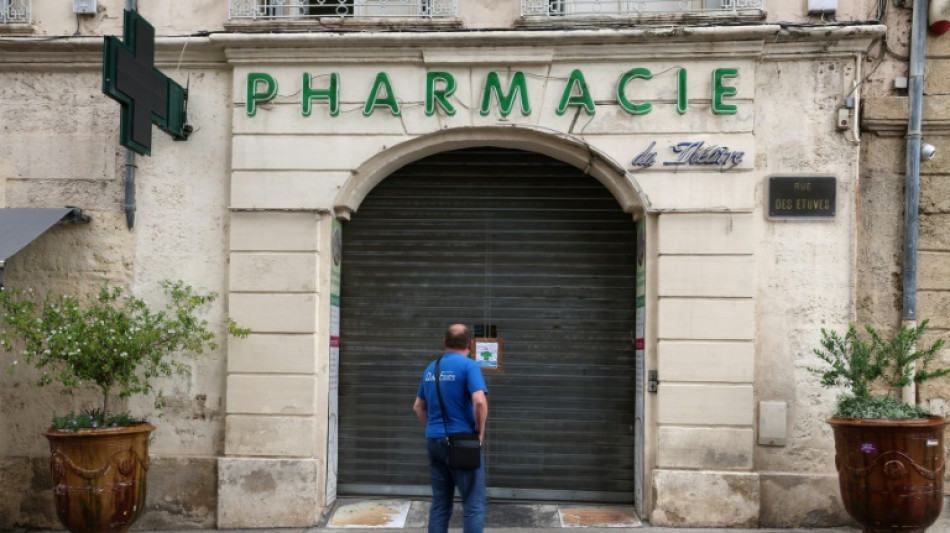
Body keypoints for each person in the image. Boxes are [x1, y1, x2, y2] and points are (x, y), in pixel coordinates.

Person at [413, 324, 489, 533]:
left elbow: (418, 406)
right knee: (473, 504)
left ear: (445, 343)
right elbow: (479, 402)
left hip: (434, 441)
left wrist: (434, 428)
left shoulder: (431, 368)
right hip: (462, 442)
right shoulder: (469, 366)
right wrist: (480, 433)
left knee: (440, 504)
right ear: (470, 344)